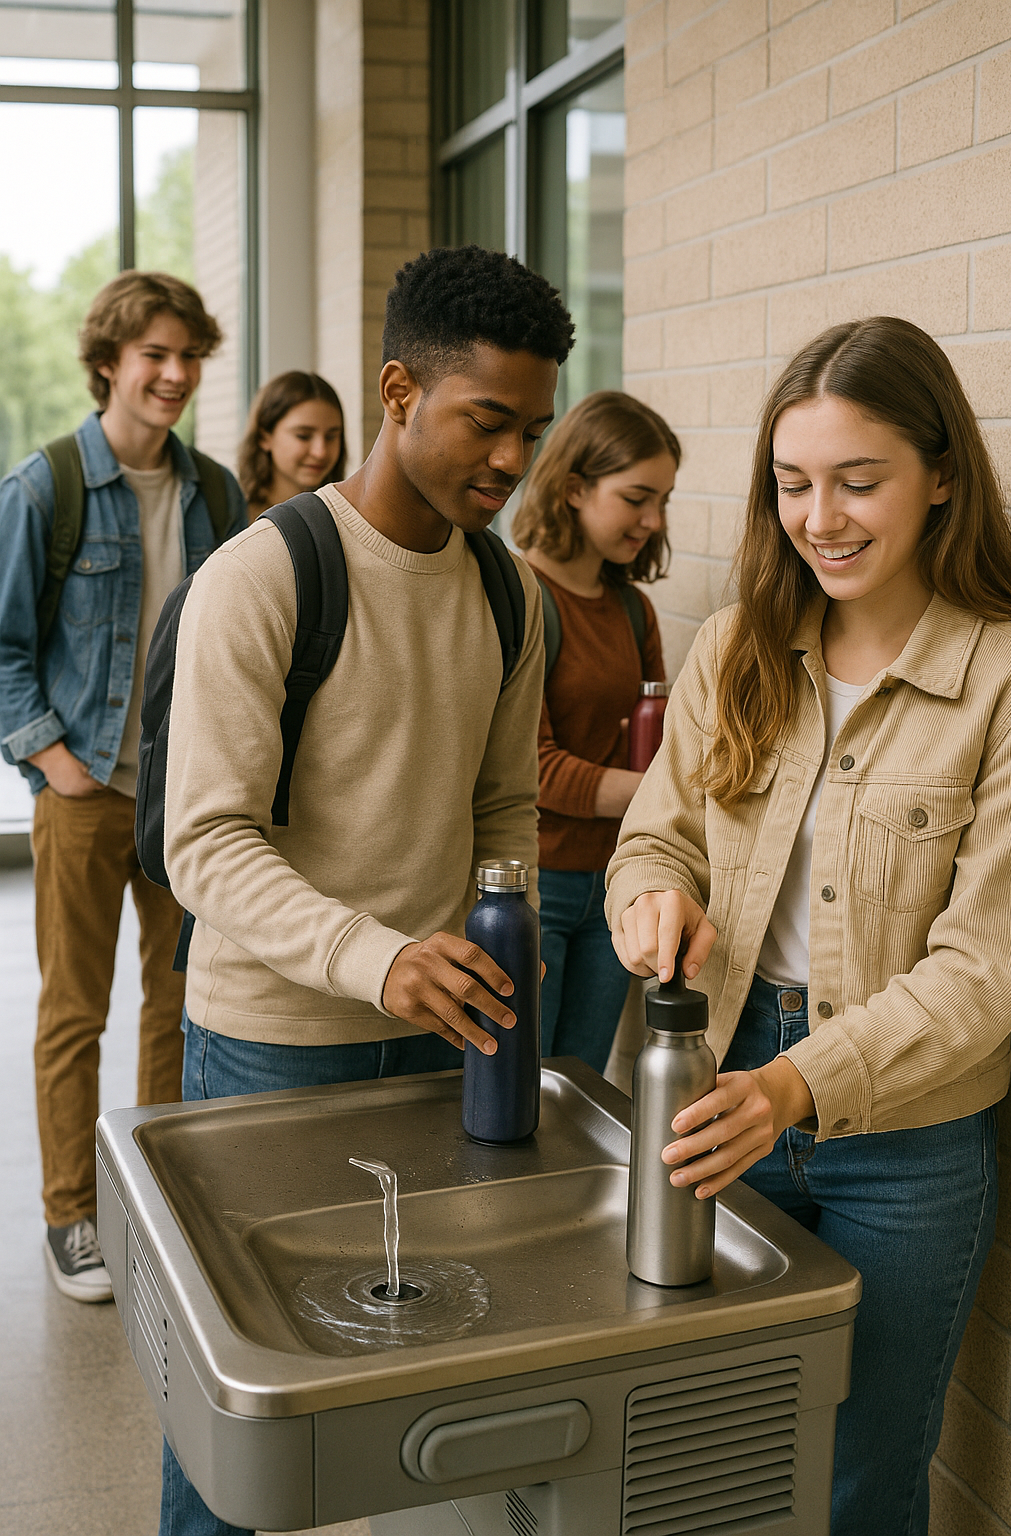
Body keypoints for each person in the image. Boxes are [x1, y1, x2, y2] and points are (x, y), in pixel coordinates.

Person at [157, 243, 573, 1535]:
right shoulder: (265, 576)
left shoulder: (511, 594)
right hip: (274, 1047)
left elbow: (504, 806)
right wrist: (376, 954)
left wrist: (502, 930)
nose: (511, 462)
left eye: (532, 431)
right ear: (398, 393)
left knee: (394, 1388)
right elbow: (206, 844)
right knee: (243, 1418)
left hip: (436, 1045)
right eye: (485, 423)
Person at [606, 315, 1011, 1536]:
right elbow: (657, 836)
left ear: (941, 477)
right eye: (793, 484)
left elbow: (984, 969)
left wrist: (795, 1088)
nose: (820, 517)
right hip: (709, 1088)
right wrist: (650, 902)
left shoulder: (1005, 677)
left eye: (858, 481)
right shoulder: (736, 646)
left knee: (861, 1477)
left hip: (908, 1144)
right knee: (695, 1458)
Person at [0, 270, 248, 1304]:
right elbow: (5, 647)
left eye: (189, 356)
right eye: (155, 355)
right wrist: (54, 761)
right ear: (110, 362)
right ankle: (71, 1215)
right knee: (74, 1010)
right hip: (85, 790)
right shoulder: (46, 487)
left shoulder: (218, 494)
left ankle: (151, 1200)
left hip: (183, 799)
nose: (176, 374)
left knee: (181, 1003)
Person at [511, 391, 676, 1072]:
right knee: (517, 1087)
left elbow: (672, 747)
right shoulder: (520, 593)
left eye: (663, 500)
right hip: (534, 887)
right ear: (575, 488)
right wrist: (657, 796)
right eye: (637, 497)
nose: (654, 519)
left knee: (580, 1084)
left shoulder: (634, 611)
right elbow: (533, 768)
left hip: (615, 884)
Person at [237, 369, 346, 520]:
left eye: (331, 436)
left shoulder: (343, 517)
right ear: (264, 437)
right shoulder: (232, 517)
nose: (320, 452)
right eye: (303, 436)